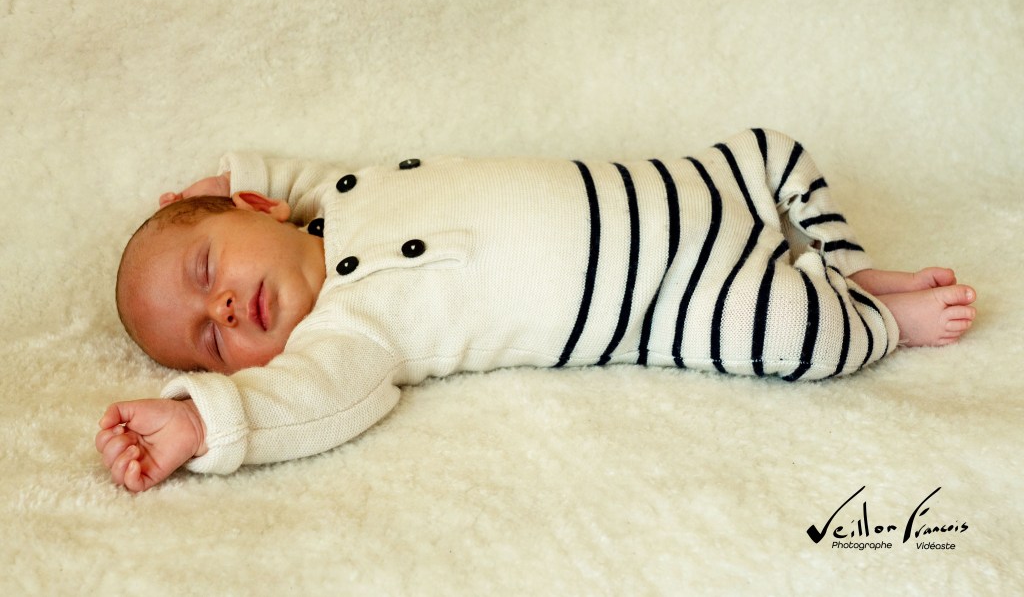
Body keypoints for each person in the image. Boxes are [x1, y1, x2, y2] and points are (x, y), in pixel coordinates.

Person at [96, 128, 977, 492]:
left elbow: (274, 177)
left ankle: (852, 271)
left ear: (257, 209)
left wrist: (218, 181)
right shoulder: (349, 335)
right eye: (209, 342)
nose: (223, 307)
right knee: (799, 337)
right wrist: (201, 422)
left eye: (206, 267)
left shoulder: (332, 192)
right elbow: (302, 404)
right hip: (667, 300)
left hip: (675, 183)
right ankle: (879, 322)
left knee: (775, 151)